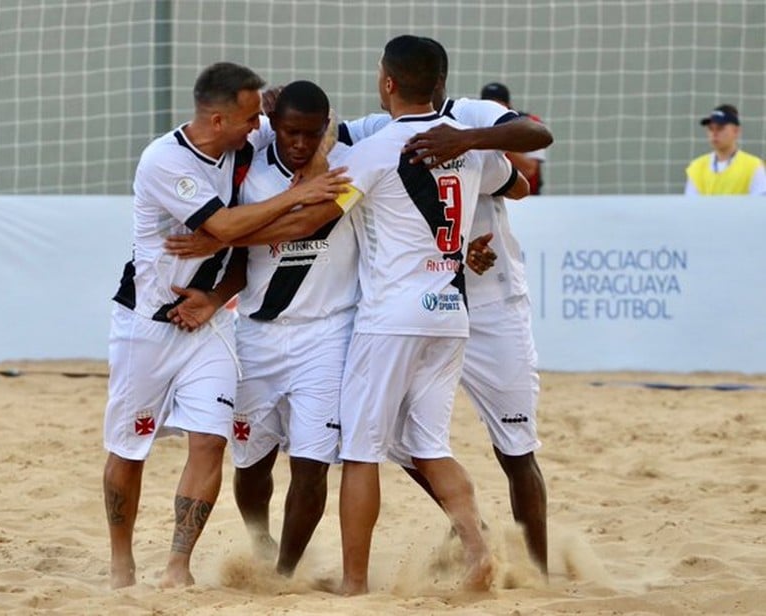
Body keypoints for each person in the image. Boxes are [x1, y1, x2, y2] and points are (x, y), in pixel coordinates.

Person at [101, 62, 348, 590]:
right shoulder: (164, 161)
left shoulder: (245, 138)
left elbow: (312, 124)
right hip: (146, 322)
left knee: (211, 442)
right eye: (252, 116)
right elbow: (225, 227)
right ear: (218, 121)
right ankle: (121, 560)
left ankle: (177, 566)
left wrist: (215, 297)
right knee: (129, 448)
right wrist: (297, 194)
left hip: (208, 323)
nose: (260, 125)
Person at [340, 37, 553, 575]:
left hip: (491, 305)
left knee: (516, 448)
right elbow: (329, 134)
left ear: (391, 79)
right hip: (445, 299)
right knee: (410, 441)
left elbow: (535, 144)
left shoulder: (474, 117)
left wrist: (468, 141)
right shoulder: (380, 128)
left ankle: (536, 572)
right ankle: (475, 534)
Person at [166, 80, 358, 577]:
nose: (300, 144)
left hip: (327, 334)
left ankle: (285, 574)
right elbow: (237, 254)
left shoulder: (347, 162)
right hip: (255, 333)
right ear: (275, 128)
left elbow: (304, 224)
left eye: (311, 134)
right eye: (290, 132)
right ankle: (261, 541)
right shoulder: (248, 166)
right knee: (251, 461)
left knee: (312, 464)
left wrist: (227, 238)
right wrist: (213, 296)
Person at [479, 82, 547, 194]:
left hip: (526, 197)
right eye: (488, 106)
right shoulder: (474, 125)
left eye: (497, 106)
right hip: (489, 195)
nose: (493, 111)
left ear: (508, 105)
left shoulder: (529, 125)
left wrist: (496, 140)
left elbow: (529, 170)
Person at [684, 105, 766, 195]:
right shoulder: (697, 167)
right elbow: (691, 206)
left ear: (736, 131)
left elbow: (760, 205)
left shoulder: (753, 166)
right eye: (710, 129)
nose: (714, 133)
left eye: (720, 128)